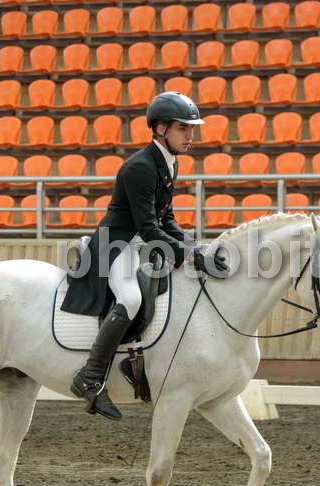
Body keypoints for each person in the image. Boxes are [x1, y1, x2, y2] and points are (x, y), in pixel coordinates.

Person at [60, 91, 228, 420]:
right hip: (116, 245)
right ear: (161, 128)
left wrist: (195, 247)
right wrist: (192, 258)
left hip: (140, 244)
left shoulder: (169, 162)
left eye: (192, 129)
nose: (190, 136)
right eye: (183, 128)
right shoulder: (140, 166)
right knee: (131, 299)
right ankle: (90, 377)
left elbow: (167, 219)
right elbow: (149, 228)